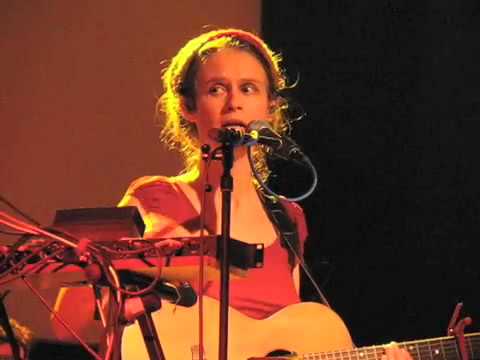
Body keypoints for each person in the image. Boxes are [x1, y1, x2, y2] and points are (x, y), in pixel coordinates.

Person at [54, 28, 414, 360]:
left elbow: (295, 330)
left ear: (270, 108)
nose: (233, 103)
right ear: (187, 106)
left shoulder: (288, 219)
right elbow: (72, 317)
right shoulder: (154, 198)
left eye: (249, 88)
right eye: (216, 89)